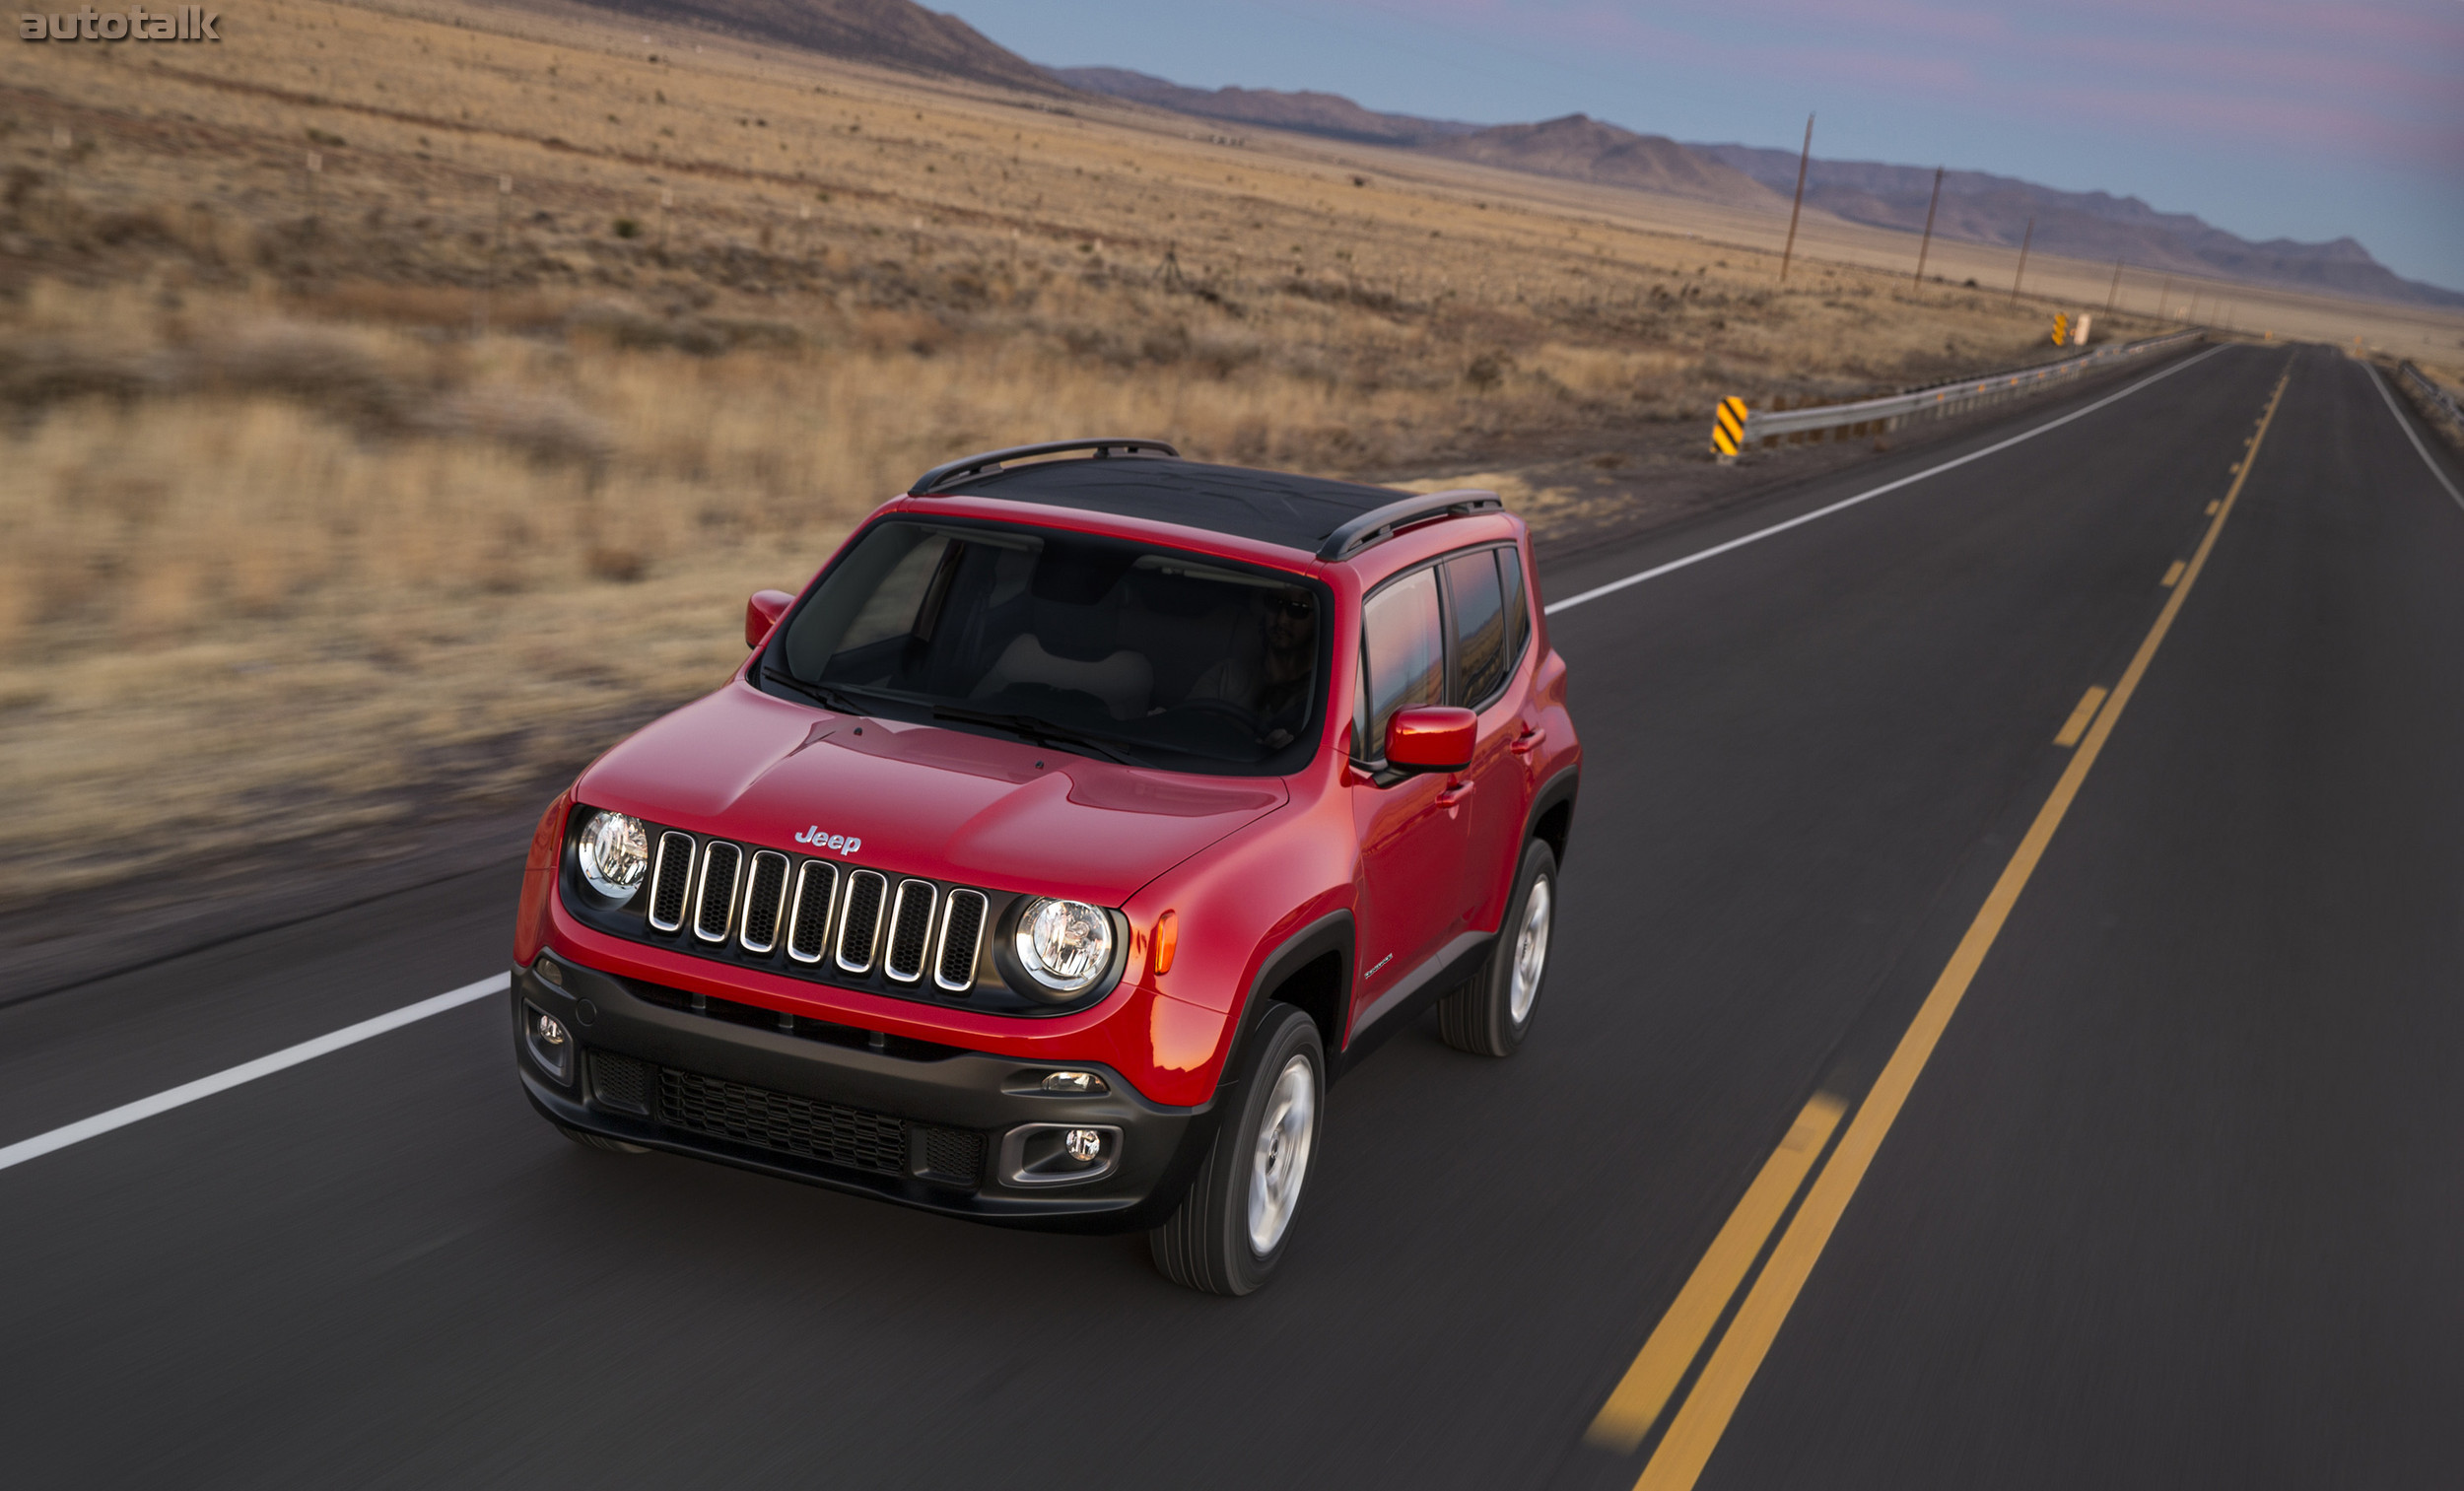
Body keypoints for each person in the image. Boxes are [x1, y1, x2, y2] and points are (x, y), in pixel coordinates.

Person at [1184, 586, 1316, 745]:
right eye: (1274, 603)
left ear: (1318, 621)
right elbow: (1186, 730)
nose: (1281, 620)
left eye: (1298, 609)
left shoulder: (1324, 698)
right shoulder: (1227, 675)